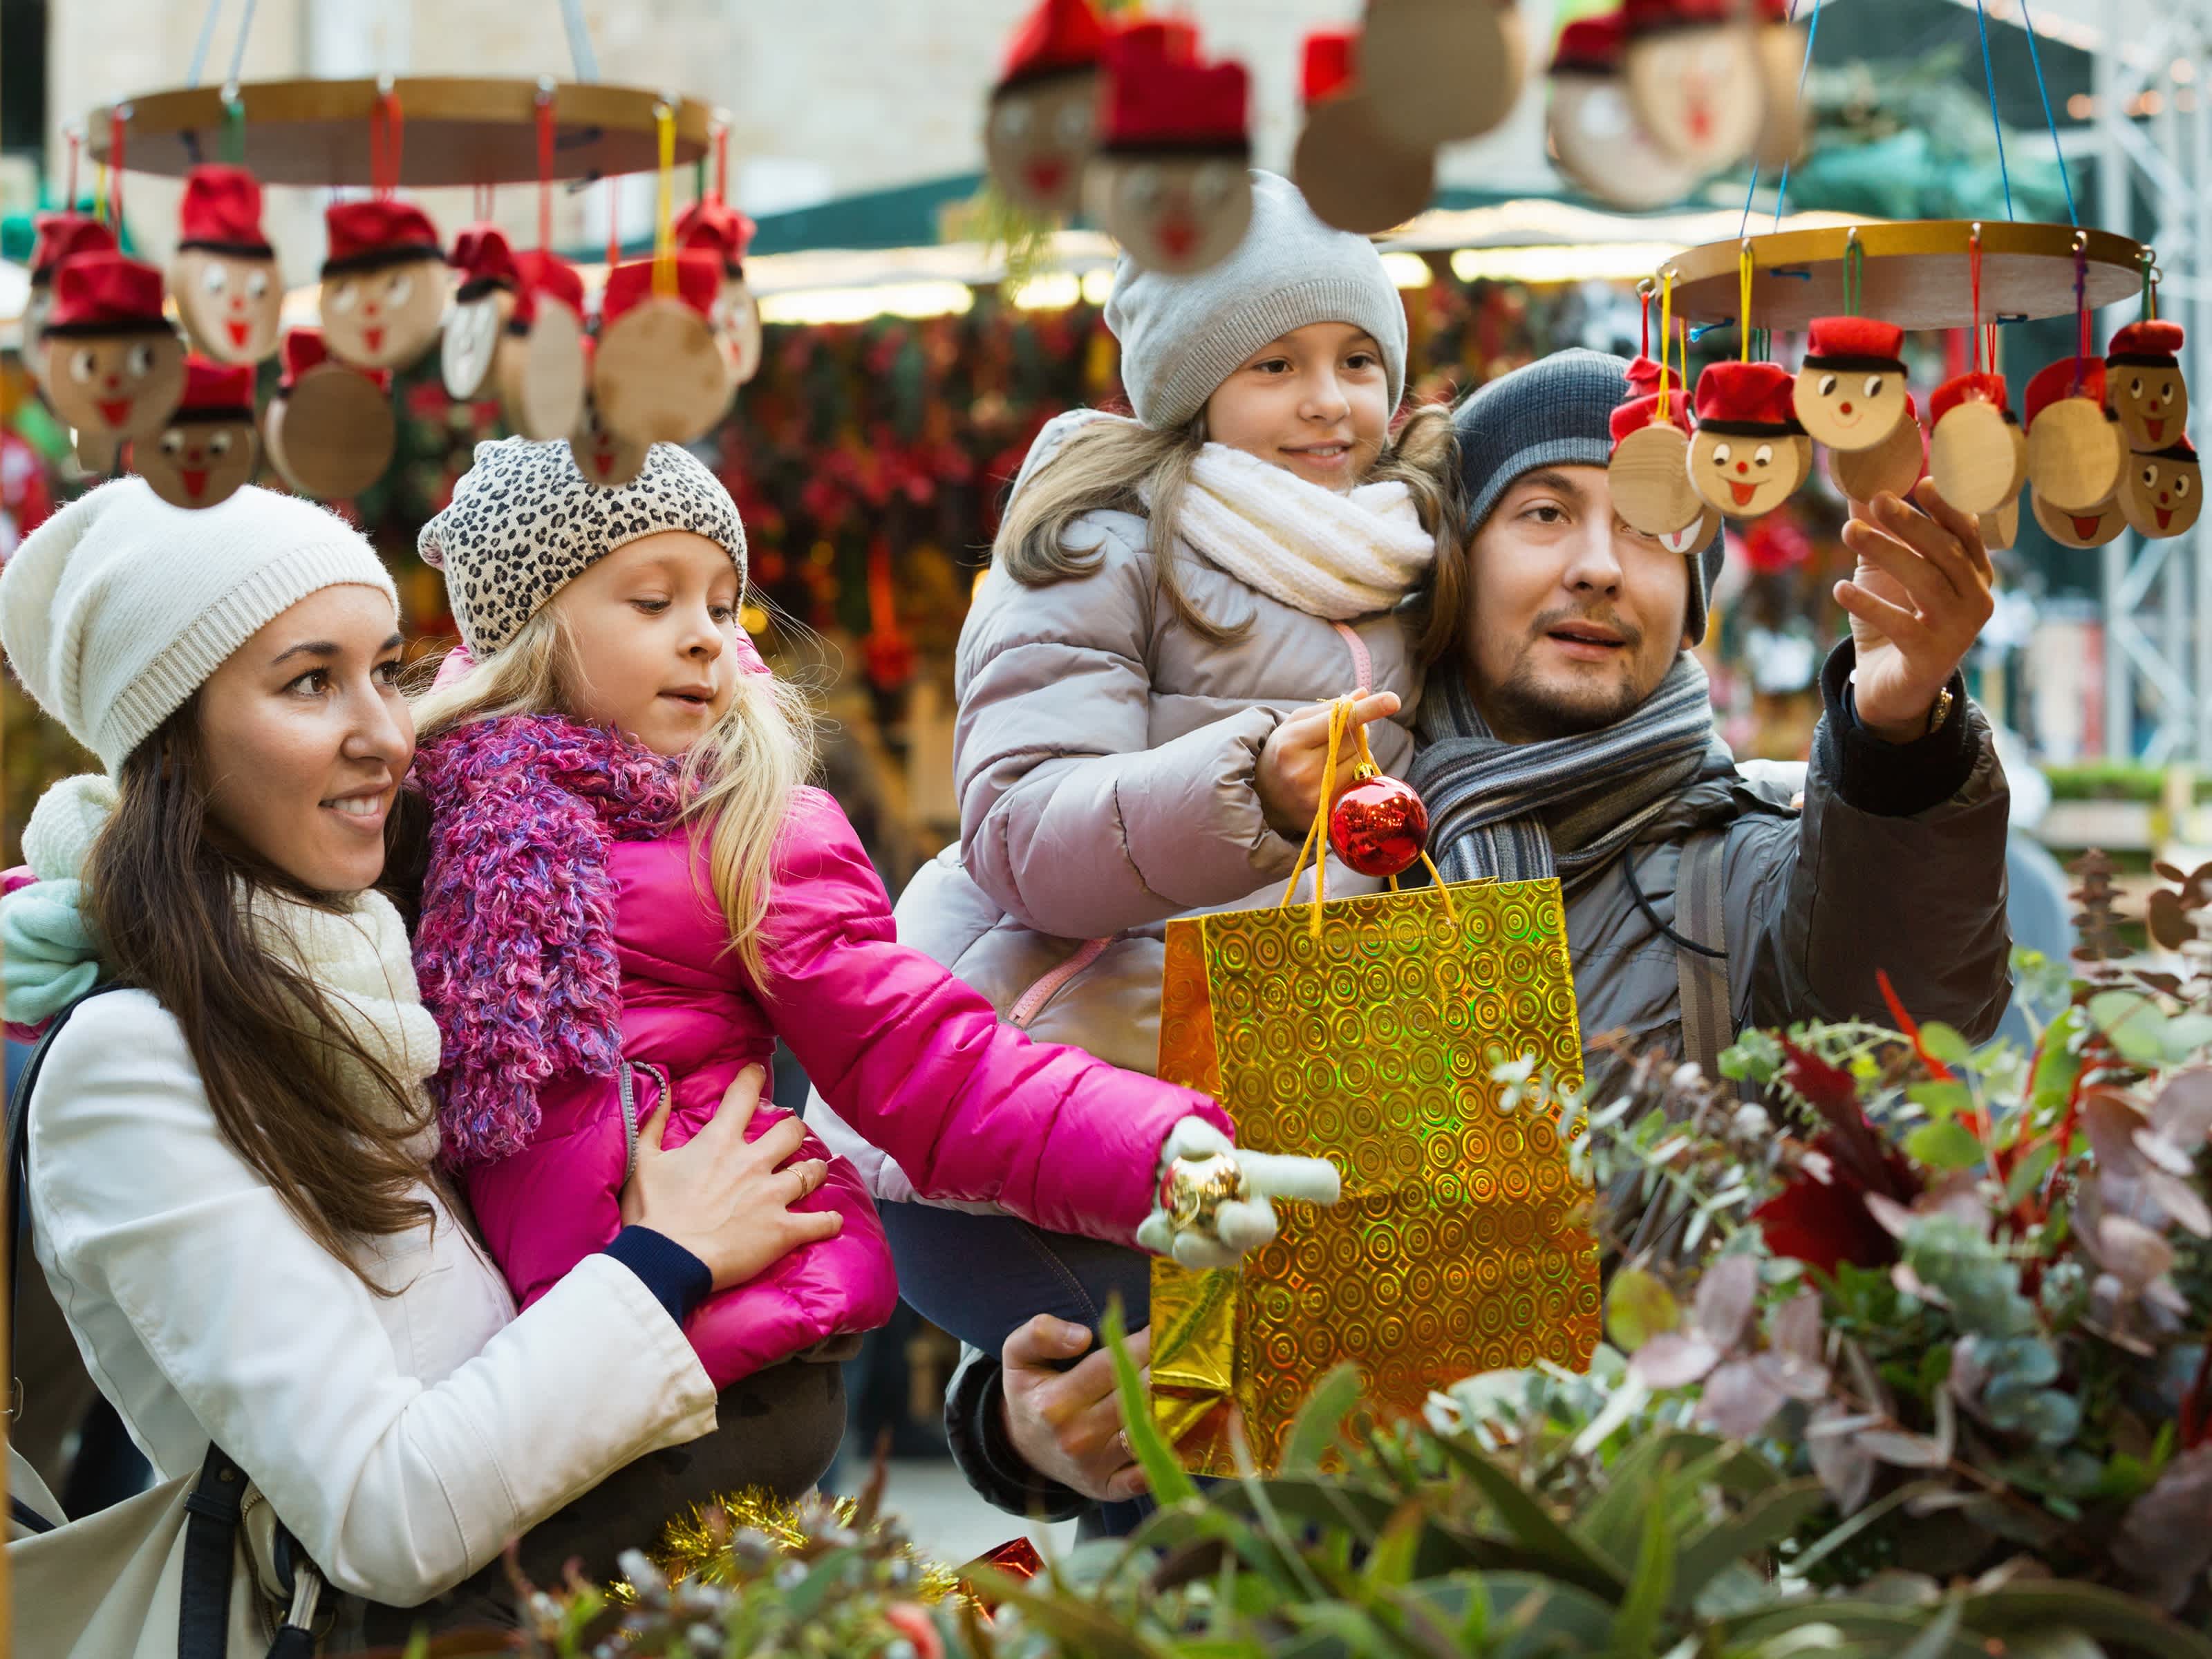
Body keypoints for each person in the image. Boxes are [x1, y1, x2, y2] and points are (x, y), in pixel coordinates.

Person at [927, 347, 2014, 1528]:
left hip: (1629, 1579)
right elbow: (1159, 1201)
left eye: (1654, 528)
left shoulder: (1756, 859)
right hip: (1282, 1592)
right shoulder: (1287, 850)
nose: (1601, 566)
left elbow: (1900, 1023)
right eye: (1545, 514)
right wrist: (1022, 1419)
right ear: (1448, 568)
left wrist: (1898, 737)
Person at [0, 480, 846, 1644]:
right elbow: (382, 1516)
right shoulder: (132, 1062)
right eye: (311, 681)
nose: (389, 733)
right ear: (172, 739)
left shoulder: (400, 974)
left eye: (387, 670)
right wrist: (666, 1259)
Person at [806, 170, 1465, 1528]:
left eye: (1355, 360)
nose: (1326, 399)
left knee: (1272, 1479)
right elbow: (1023, 830)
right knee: (1213, 1484)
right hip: (1032, 1119)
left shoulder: (1412, 559)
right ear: (1190, 384)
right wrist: (1249, 792)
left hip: (1259, 1105)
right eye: (1273, 363)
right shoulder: (1104, 541)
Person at [404, 438, 1330, 1403]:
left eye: (723, 607)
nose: (707, 636)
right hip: (525, 1361)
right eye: (653, 602)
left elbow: (922, 1057)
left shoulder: (746, 831)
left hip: (725, 1347)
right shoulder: (426, 817)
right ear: (529, 627)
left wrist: (1156, 1158)